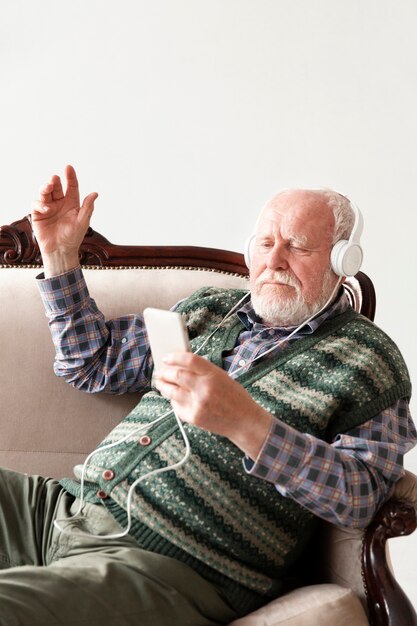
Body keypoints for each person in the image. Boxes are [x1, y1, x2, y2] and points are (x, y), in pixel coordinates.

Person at [0, 165, 415, 626]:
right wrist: (59, 256)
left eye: (297, 246)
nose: (274, 260)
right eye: (265, 243)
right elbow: (91, 361)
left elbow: (363, 495)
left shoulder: (368, 357)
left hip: (166, 567)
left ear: (343, 260)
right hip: (63, 509)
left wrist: (250, 427)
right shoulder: (211, 309)